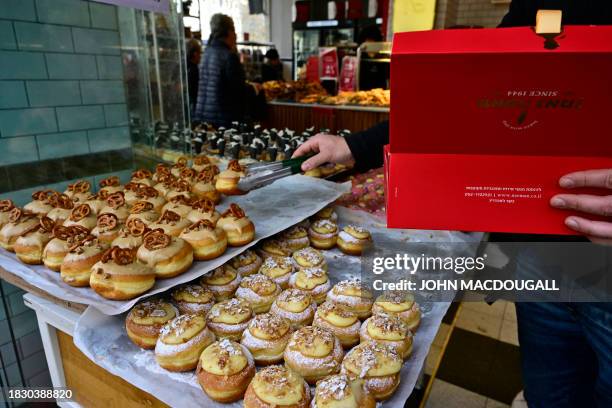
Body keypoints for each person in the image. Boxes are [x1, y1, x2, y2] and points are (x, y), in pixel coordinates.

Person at [294, 2, 612, 407]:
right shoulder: (534, 6)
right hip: (541, 251)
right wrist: (356, 146)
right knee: (552, 394)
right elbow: (465, 95)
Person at [194, 13, 261, 127]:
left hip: (202, 118)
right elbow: (238, 91)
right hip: (223, 121)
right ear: (229, 33)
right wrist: (254, 88)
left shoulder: (206, 53)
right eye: (234, 32)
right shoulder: (229, 56)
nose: (236, 36)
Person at [186, 39, 202, 117]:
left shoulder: (184, 66)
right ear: (195, 54)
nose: (200, 56)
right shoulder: (193, 69)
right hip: (193, 103)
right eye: (200, 53)